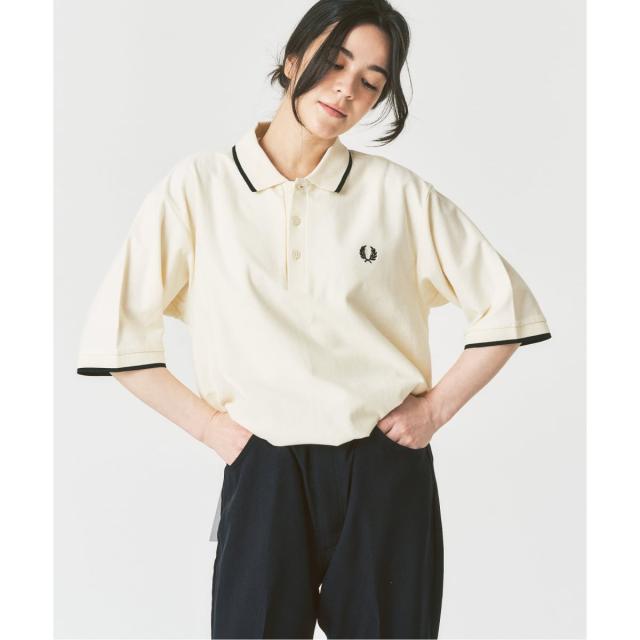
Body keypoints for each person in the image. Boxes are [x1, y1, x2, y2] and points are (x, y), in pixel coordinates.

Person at [75, 1, 552, 638]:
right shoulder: (197, 189)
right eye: (335, 63)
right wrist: (217, 433)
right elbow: (120, 342)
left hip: (383, 467)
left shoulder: (396, 194)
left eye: (371, 82)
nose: (347, 89)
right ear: (294, 58)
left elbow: (506, 307)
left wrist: (434, 411)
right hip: (264, 468)